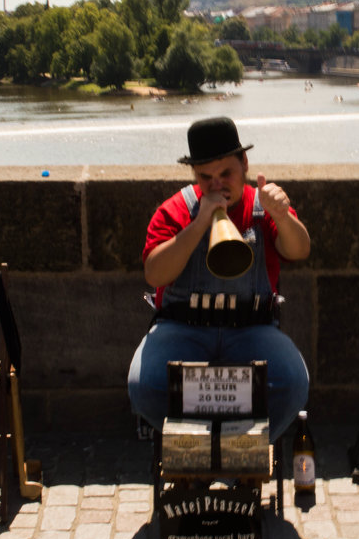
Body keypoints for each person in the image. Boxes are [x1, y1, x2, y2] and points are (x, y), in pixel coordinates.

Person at [128, 117, 311, 440]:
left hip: (253, 329)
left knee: (293, 382)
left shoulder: (262, 206)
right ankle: (196, 450)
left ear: (244, 164)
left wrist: (282, 216)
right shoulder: (175, 210)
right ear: (194, 175)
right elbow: (155, 273)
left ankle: (240, 453)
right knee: (144, 386)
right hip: (182, 329)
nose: (217, 185)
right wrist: (198, 224)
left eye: (226, 173)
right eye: (205, 177)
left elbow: (299, 249)